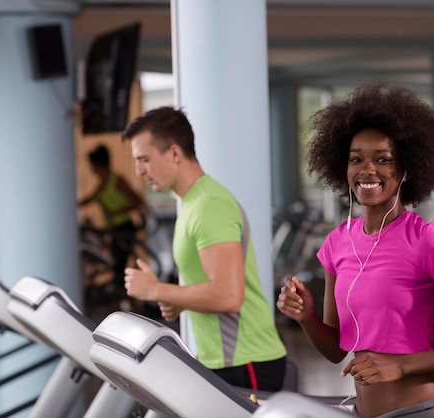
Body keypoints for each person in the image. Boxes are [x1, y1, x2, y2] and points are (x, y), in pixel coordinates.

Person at [277, 82, 434, 417]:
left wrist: (401, 365)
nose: (367, 170)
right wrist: (306, 317)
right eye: (356, 159)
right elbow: (335, 349)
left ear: (405, 171)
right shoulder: (337, 242)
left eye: (382, 159)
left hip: (421, 410)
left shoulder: (427, 240)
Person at [121, 106, 288, 392]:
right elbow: (210, 285)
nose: (139, 171)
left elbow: (227, 295)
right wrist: (177, 299)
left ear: (174, 153)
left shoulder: (209, 206)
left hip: (246, 361)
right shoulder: (192, 202)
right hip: (224, 360)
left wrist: (155, 290)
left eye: (144, 160)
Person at [78, 144, 146, 303]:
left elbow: (138, 201)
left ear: (98, 164)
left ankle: (125, 307)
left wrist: (117, 212)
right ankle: (122, 306)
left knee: (119, 271)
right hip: (114, 230)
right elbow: (88, 200)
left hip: (124, 228)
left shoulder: (117, 180)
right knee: (116, 270)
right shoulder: (101, 184)